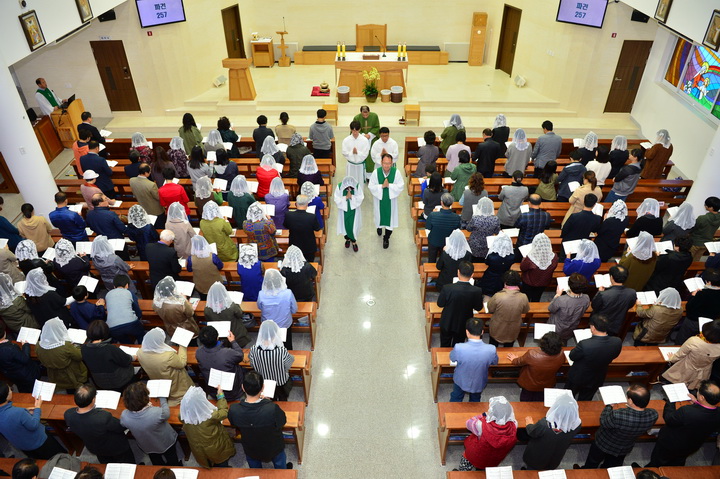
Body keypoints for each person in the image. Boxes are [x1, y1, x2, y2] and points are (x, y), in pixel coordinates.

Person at [580, 384, 659, 468]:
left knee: (593, 461)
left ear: (630, 401)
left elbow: (603, 421)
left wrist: (609, 406)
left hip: (604, 443)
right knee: (611, 466)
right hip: (624, 447)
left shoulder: (618, 415)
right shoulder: (653, 414)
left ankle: (587, 470)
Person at [646, 379, 720, 467]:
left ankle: (651, 469)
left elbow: (669, 418)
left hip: (671, 443)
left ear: (702, 397)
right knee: (679, 460)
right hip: (693, 444)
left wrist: (670, 401)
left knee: (659, 460)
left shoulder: (687, 411)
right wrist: (697, 403)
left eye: (698, 391)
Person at [228, 371, 292, 469]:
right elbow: (282, 421)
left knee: (254, 465)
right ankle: (283, 471)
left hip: (251, 447)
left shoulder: (234, 409)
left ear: (243, 387)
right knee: (279, 462)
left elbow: (234, 423)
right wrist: (267, 402)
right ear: (262, 388)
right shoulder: (272, 408)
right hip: (273, 446)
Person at [120, 382, 180, 466]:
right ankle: (175, 466)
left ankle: (158, 467)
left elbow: (123, 424)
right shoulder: (156, 413)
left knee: (155, 458)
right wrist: (162, 398)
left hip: (147, 445)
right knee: (171, 456)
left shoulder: (124, 416)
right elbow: (166, 413)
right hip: (166, 442)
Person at [0, 381, 64, 459]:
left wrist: (25, 411)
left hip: (22, 445)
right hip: (39, 442)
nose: (11, 389)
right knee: (58, 457)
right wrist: (37, 407)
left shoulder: (16, 412)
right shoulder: (18, 412)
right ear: (6, 397)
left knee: (39, 459)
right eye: (10, 389)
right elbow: (34, 425)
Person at [565, 314, 622, 400]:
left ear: (593, 328)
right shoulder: (617, 341)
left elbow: (572, 356)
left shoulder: (585, 344)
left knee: (568, 396)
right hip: (597, 376)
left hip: (579, 376)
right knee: (586, 399)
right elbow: (615, 355)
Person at [180, 386, 236, 468]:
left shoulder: (184, 416)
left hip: (198, 447)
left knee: (206, 460)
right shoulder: (209, 416)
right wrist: (220, 396)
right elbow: (224, 412)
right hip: (216, 448)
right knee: (221, 461)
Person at [522, 394, 582, 470]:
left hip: (537, 455)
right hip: (556, 456)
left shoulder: (544, 425)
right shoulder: (577, 425)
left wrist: (529, 424)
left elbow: (532, 432)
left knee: (532, 469)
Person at [456, 396, 517, 471]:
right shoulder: (514, 426)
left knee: (466, 463)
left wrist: (483, 415)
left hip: (476, 455)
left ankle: (462, 472)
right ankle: (480, 471)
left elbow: (469, 423)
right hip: (494, 458)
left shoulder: (481, 426)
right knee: (484, 467)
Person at [137, 327, 193, 406]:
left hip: (157, 379)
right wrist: (182, 345)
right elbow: (182, 363)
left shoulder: (140, 353)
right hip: (174, 383)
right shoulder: (168, 356)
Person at [436, 264, 485, 349]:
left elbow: (440, 304)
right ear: (472, 275)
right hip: (464, 322)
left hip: (448, 321)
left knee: (444, 344)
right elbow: (478, 308)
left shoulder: (447, 288)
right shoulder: (477, 291)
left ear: (458, 272)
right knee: (459, 344)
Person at [449, 318, 498, 402]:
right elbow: (495, 362)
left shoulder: (459, 347)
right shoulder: (491, 349)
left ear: (467, 332)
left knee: (456, 397)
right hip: (479, 381)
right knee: (475, 400)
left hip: (461, 379)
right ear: (482, 332)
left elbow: (452, 358)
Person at [507, 331, 565, 401]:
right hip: (548, 382)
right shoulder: (561, 355)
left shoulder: (532, 354)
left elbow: (519, 362)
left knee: (526, 398)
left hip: (530, 383)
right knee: (539, 398)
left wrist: (514, 359)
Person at [663, 319, 720, 389]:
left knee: (678, 383)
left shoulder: (694, 341)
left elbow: (680, 355)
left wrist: (671, 358)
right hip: (704, 371)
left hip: (686, 367)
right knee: (694, 386)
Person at [80, 320, 135, 391]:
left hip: (99, 381)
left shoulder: (83, 349)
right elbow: (126, 360)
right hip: (119, 380)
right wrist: (133, 357)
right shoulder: (110, 348)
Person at [35, 318, 87, 392]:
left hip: (54, 375)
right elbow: (79, 356)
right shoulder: (65, 346)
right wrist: (77, 346)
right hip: (71, 374)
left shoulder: (38, 345)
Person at [197, 326, 245, 401]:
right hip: (234, 392)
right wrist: (233, 341)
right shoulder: (227, 353)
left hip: (213, 391)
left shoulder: (198, 352)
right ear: (217, 338)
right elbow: (240, 355)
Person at [369, 154, 404, 249]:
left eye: (389, 163)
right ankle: (379, 227)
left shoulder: (396, 172)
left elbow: (401, 186)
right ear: (381, 162)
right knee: (379, 217)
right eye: (385, 163)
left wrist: (389, 186)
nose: (387, 165)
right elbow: (371, 186)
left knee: (390, 221)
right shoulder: (376, 172)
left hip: (391, 202)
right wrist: (382, 186)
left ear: (392, 163)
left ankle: (386, 237)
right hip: (379, 201)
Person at [590, 265, 638, 336]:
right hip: (617, 324)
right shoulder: (632, 293)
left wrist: (599, 292)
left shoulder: (603, 294)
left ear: (611, 277)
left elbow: (594, 306)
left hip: (600, 323)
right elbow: (630, 305)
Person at [487, 270, 530, 346]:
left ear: (505, 282)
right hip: (513, 328)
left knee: (493, 345)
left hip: (497, 327)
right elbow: (525, 310)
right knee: (509, 346)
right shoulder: (523, 297)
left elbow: (490, 309)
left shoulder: (498, 296)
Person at [258, 270, 297, 350]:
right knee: (287, 344)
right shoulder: (288, 293)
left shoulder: (261, 294)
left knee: (271, 343)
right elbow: (294, 310)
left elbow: (260, 307)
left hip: (269, 325)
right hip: (285, 324)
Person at [547, 273, 590, 344]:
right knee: (564, 339)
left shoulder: (561, 299)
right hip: (572, 325)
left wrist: (557, 295)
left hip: (558, 326)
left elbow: (551, 309)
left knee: (552, 341)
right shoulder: (586, 298)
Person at [0, 323, 40, 392]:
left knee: (22, 387)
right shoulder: (10, 349)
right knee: (30, 389)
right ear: (4, 333)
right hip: (25, 375)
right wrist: (26, 345)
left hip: (11, 374)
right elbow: (25, 359)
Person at [105, 274, 145, 344]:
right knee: (140, 334)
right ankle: (141, 346)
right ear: (127, 285)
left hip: (112, 327)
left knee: (125, 342)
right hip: (131, 323)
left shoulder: (108, 294)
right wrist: (139, 317)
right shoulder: (129, 293)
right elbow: (136, 308)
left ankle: (129, 346)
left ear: (114, 286)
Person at [520, 233, 559, 302]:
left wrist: (524, 258)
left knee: (526, 298)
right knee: (537, 297)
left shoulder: (530, 258)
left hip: (529, 283)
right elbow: (554, 267)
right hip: (544, 282)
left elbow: (522, 268)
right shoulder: (554, 257)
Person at [284, 194, 321, 262]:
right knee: (310, 262)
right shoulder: (312, 217)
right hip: (309, 246)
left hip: (294, 246)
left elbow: (286, 226)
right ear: (307, 205)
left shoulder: (288, 215)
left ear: (296, 204)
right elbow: (317, 228)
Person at [426, 193, 461, 263]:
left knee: (431, 259)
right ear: (451, 203)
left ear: (441, 202)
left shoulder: (433, 215)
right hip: (447, 242)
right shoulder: (456, 217)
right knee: (444, 260)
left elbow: (428, 228)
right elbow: (457, 229)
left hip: (434, 241)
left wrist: (433, 213)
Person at [479, 231, 515, 298]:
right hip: (504, 279)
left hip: (490, 278)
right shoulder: (511, 257)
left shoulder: (492, 257)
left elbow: (486, 262)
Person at [690, 196, 720, 262]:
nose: (705, 206)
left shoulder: (702, 218)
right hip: (706, 243)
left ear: (711, 208)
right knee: (696, 259)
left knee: (689, 258)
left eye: (706, 205)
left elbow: (693, 228)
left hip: (695, 242)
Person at [352, 105, 381, 175]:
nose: (365, 116)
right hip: (360, 137)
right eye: (363, 115)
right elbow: (354, 129)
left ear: (369, 112)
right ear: (361, 112)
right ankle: (361, 172)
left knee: (372, 152)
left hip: (372, 137)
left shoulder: (374, 116)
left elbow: (377, 127)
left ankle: (371, 173)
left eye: (367, 114)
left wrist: (370, 134)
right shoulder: (357, 118)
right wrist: (363, 135)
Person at [342, 121, 371, 186]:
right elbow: (344, 152)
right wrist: (351, 153)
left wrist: (358, 153)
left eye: (356, 130)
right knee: (350, 183)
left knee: (360, 183)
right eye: (353, 130)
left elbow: (366, 153)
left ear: (359, 129)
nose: (355, 133)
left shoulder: (364, 140)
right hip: (350, 165)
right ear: (350, 129)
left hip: (360, 165)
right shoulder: (346, 140)